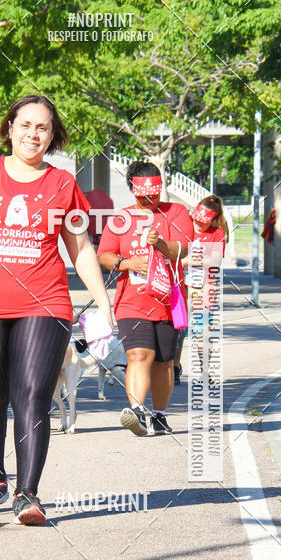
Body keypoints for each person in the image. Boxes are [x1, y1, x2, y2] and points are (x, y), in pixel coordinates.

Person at [0, 95, 112, 525]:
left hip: (44, 305)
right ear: (9, 127)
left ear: (52, 136)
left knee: (31, 396)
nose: (33, 133)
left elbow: (81, 248)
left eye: (42, 128)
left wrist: (103, 301)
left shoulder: (63, 184)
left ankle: (28, 494)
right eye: (25, 124)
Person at [98, 161, 193, 437]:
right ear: (132, 190)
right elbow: (105, 255)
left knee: (164, 362)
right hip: (131, 301)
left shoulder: (176, 212)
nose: (149, 199)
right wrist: (129, 263)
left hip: (168, 302)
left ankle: (160, 415)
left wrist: (160, 244)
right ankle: (138, 412)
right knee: (139, 354)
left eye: (154, 192)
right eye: (142, 194)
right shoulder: (120, 219)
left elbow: (183, 249)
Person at [175, 195, 228, 381]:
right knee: (178, 329)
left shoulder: (217, 233)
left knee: (203, 331)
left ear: (213, 220)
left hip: (204, 287)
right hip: (181, 285)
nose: (197, 223)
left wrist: (192, 260)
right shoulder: (185, 225)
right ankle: (174, 367)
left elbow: (215, 260)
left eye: (203, 222)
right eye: (196, 218)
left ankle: (204, 372)